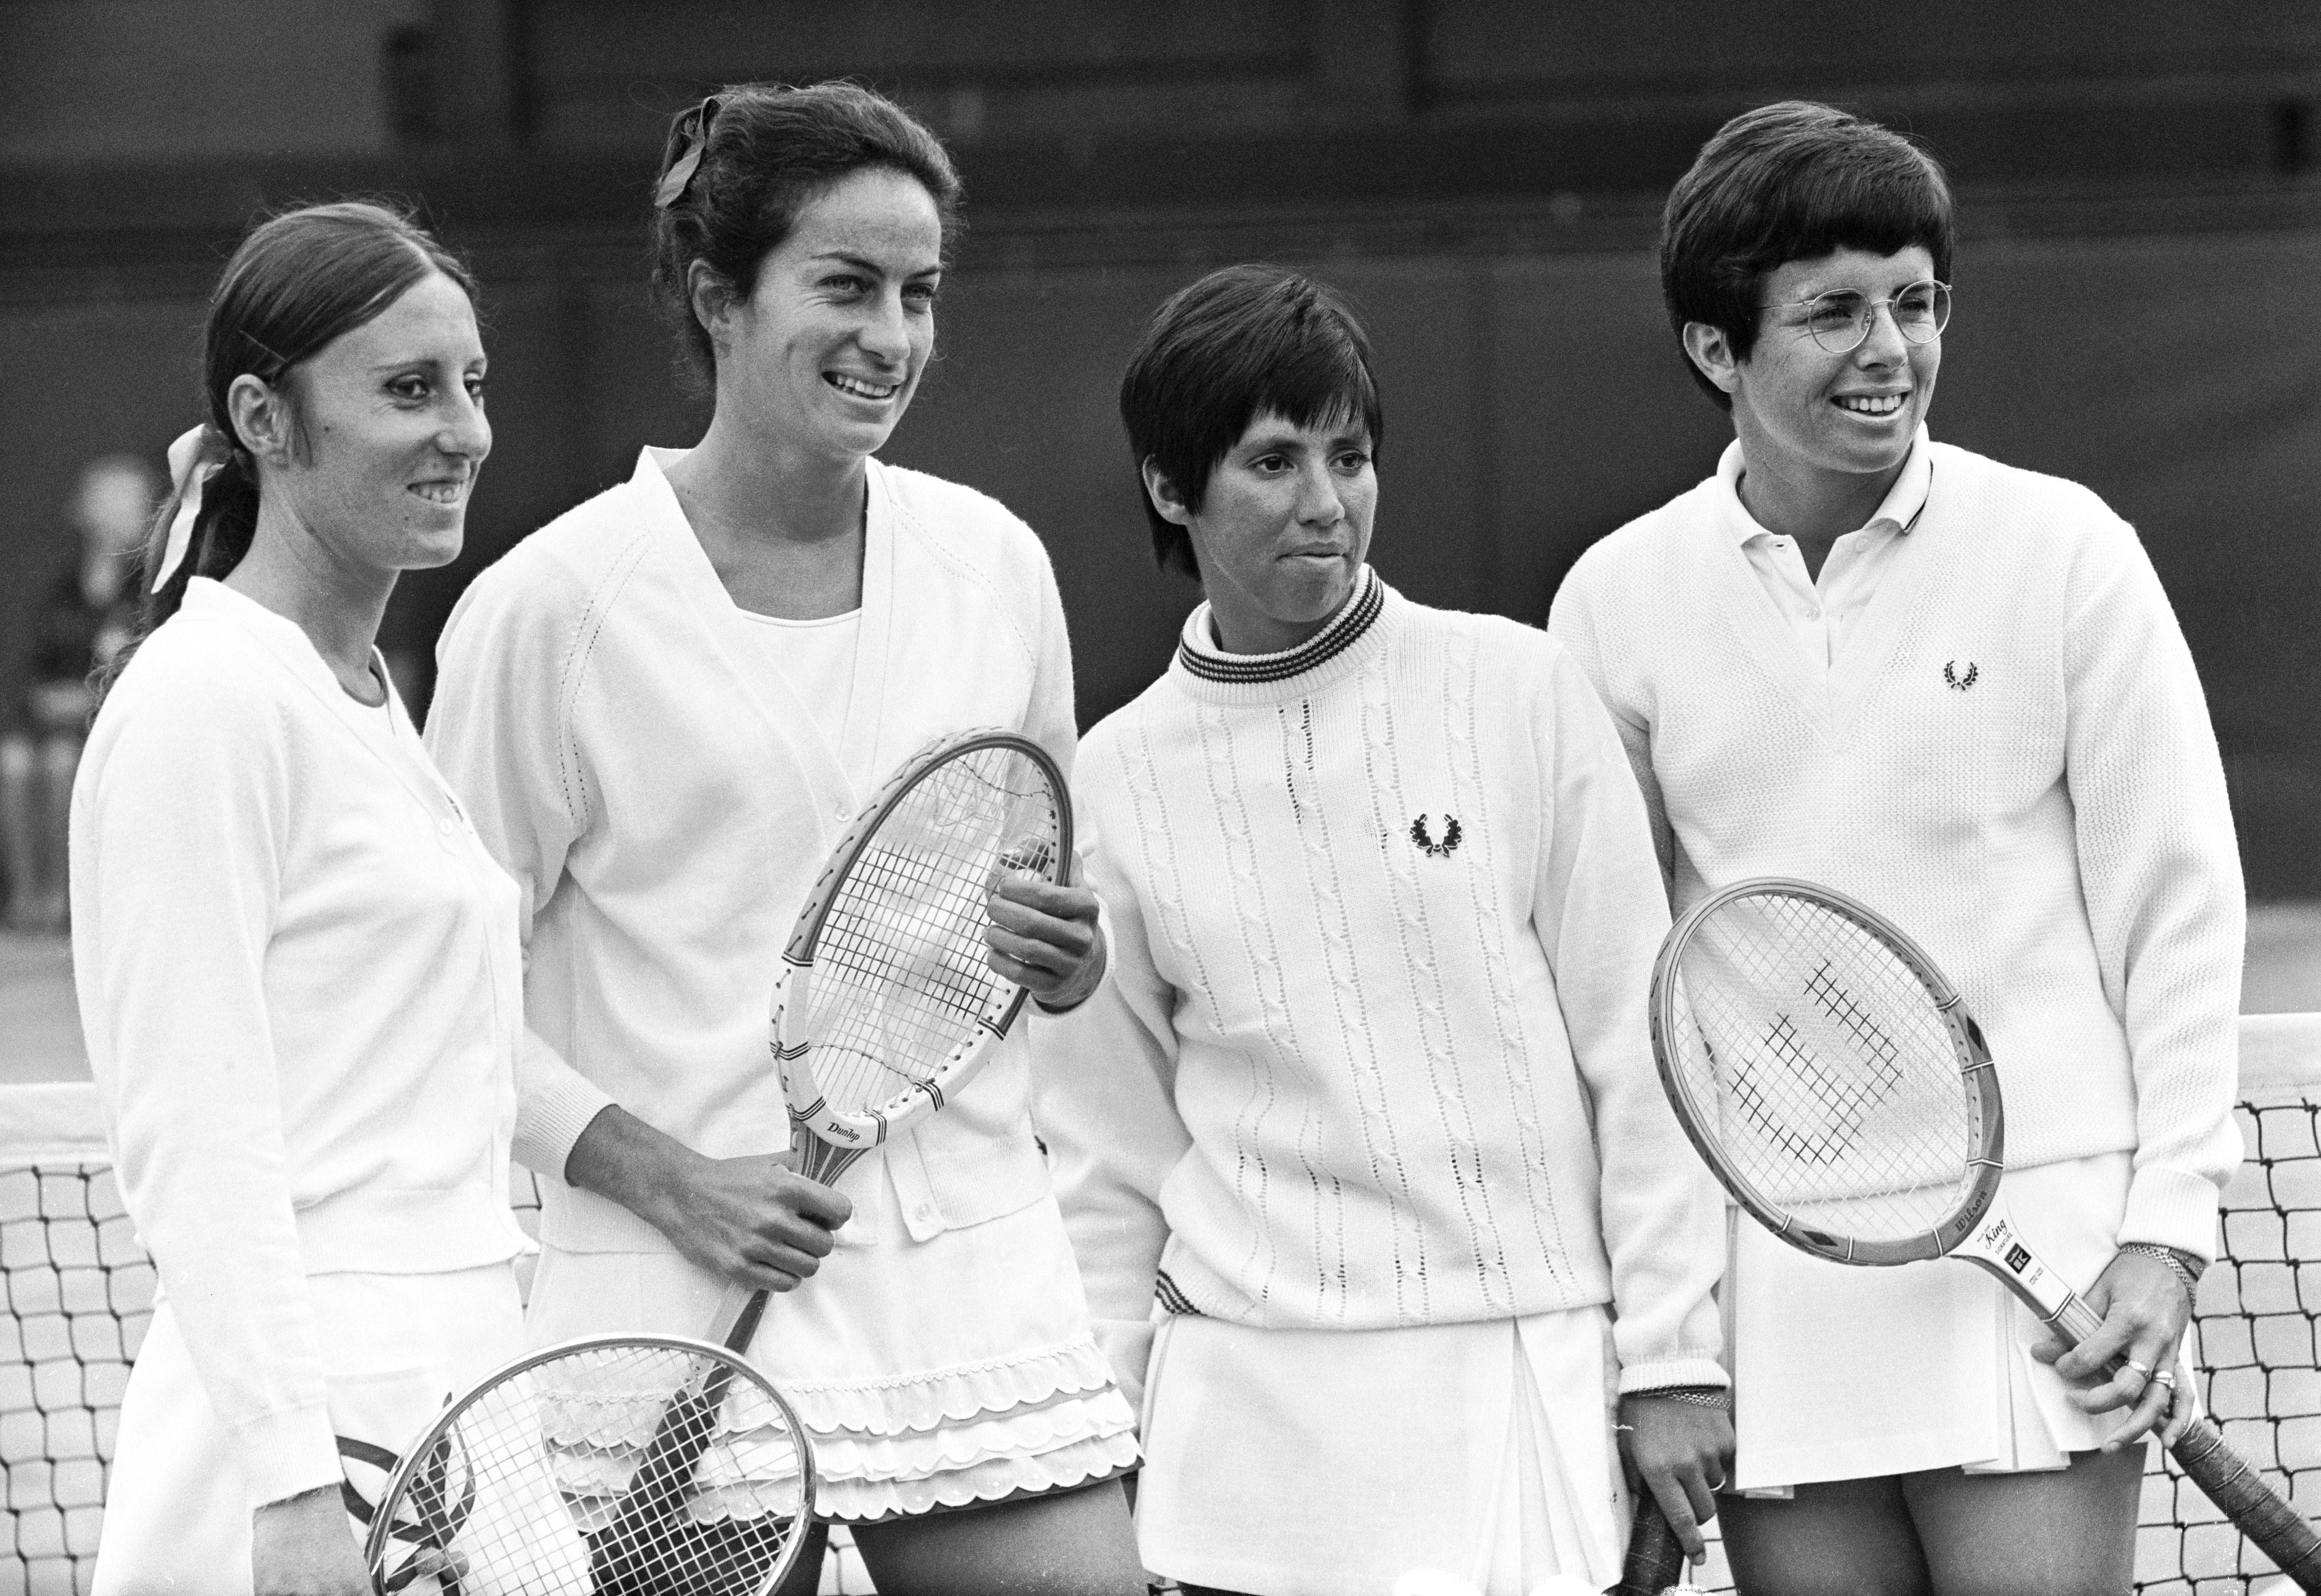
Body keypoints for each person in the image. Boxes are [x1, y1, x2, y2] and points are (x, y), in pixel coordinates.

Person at [425, 81, 1142, 1594]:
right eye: (843, 284)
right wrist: (666, 1173)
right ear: (716, 297)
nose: (891, 333)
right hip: (670, 1303)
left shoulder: (991, 564)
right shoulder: (551, 607)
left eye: (919, 291)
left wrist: (1063, 954)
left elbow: (1037, 916)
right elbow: (437, 1002)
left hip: (968, 1286)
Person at [1549, 103, 2244, 1596]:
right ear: (1713, 350)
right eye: (1831, 310)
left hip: (2040, 1257)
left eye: (1914, 301)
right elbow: (1622, 1000)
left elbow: (2173, 908)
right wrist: (1664, 1341)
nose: (1888, 347)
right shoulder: (1613, 603)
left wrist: (2160, 1235)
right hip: (1780, 1276)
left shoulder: (2062, 551)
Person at [1034, 263, 1733, 1596]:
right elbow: (1109, 1152)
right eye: (1273, 460)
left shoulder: (1518, 686)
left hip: (1520, 1385)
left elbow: (1640, 1048)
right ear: (1172, 490)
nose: (1326, 500)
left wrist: (1673, 1353)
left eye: (1349, 456)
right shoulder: (1113, 779)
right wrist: (1102, 1424)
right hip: (1243, 1429)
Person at [70, 202, 522, 1595]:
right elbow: (195, 1134)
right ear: (264, 419)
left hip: (460, 1397)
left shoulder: (376, 696)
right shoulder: (204, 701)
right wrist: (291, 1481)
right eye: (407, 389)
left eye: (472, 382)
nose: (464, 430)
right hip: (309, 1448)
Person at [2, 455, 156, 931]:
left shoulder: (151, 588)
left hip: (115, 727)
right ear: (85, 509)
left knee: (66, 765)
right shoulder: (58, 586)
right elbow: (31, 667)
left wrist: (94, 702)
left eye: (134, 500)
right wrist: (43, 700)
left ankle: (65, 900)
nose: (127, 510)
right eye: (112, 498)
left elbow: (151, 669)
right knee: (15, 761)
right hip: (50, 723)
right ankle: (27, 897)